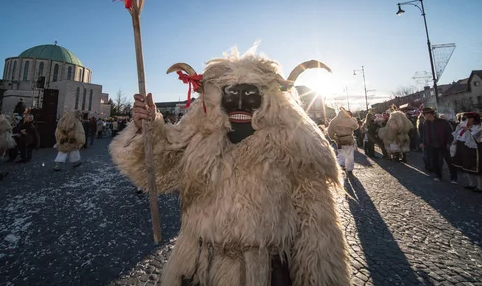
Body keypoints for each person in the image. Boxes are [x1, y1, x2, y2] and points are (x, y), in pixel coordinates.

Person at [110, 53, 350, 285]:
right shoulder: (199, 142)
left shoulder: (294, 150)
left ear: (269, 100)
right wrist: (148, 128)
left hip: (263, 273)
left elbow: (318, 233)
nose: (240, 103)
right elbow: (157, 172)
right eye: (232, 94)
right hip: (198, 269)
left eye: (250, 95)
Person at [419, 107, 455, 182]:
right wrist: (423, 142)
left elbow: (450, 133)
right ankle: (439, 176)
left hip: (444, 144)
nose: (424, 116)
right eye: (424, 114)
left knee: (449, 161)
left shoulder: (443, 122)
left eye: (425, 114)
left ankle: (453, 177)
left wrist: (449, 143)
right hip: (432, 145)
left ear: (430, 114)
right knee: (435, 162)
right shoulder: (426, 123)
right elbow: (424, 135)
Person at [327, 108, 359, 174]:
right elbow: (356, 127)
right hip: (349, 139)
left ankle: (341, 166)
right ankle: (349, 169)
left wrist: (332, 138)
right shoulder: (350, 119)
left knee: (341, 154)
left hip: (339, 140)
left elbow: (329, 131)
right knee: (350, 155)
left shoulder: (334, 120)